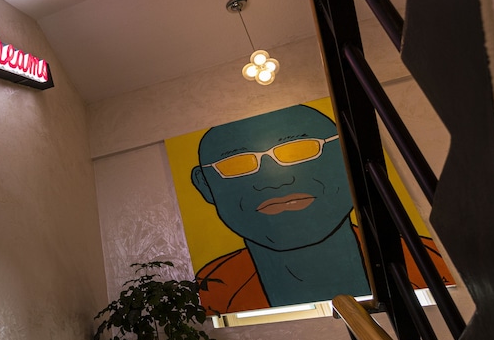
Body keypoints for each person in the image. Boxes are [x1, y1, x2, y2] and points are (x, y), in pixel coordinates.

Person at [190, 104, 451, 314]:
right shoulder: (214, 289)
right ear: (205, 186)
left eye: (300, 150)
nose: (277, 181)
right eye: (236, 164)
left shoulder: (432, 266)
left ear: (349, 157)